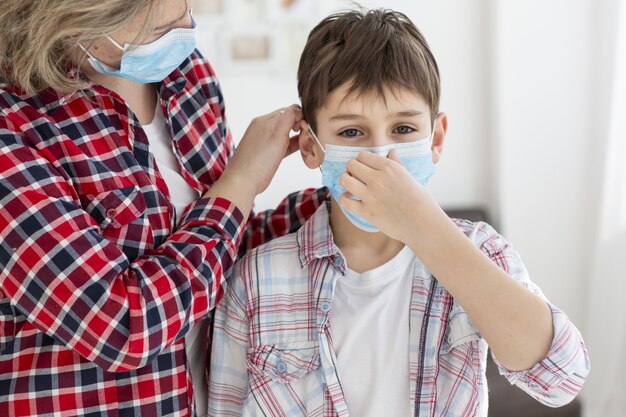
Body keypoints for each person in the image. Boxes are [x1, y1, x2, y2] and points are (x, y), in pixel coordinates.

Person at [207, 8, 590, 417]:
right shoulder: (257, 279)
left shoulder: (481, 251)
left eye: (403, 130)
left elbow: (562, 378)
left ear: (436, 138)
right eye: (351, 132)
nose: (381, 156)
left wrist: (422, 226)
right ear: (310, 147)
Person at [0, 1, 326, 416]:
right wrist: (240, 183)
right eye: (162, 30)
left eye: (185, 12)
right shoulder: (13, 128)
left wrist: (334, 202)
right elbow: (121, 326)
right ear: (76, 17)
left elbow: (218, 253)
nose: (186, 32)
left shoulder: (188, 77)